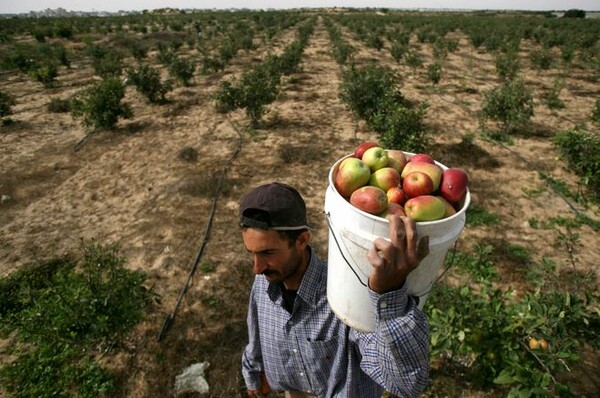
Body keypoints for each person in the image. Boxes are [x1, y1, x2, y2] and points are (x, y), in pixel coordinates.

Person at [239, 182, 430, 398]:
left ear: (302, 240)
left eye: (267, 253)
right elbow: (256, 334)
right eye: (251, 253)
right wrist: (253, 373)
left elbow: (407, 384)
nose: (257, 268)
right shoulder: (264, 282)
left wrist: (390, 296)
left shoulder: (343, 296)